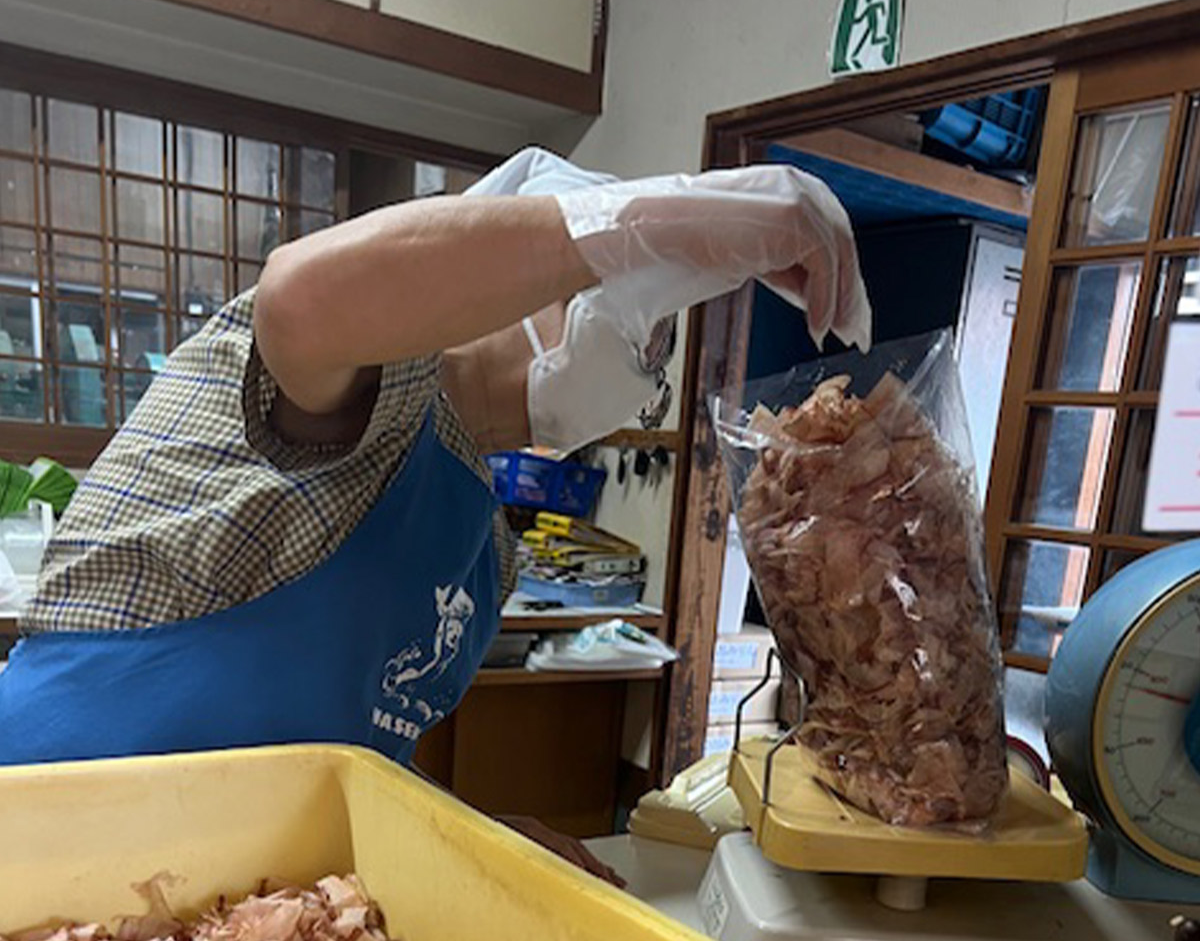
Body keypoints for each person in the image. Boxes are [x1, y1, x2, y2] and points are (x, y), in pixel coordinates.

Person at [0, 148, 869, 874]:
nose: (640, 363)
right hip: (55, 835)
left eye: (653, 350)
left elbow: (357, 750)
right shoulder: (369, 382)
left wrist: (475, 836)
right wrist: (638, 222)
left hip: (228, 898)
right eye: (634, 317)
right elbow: (304, 297)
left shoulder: (480, 530)